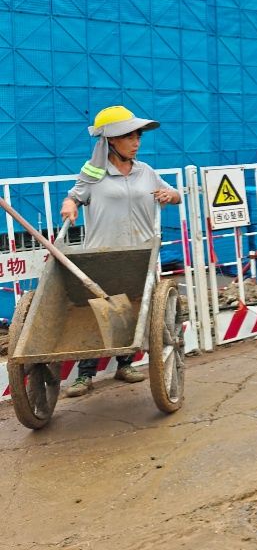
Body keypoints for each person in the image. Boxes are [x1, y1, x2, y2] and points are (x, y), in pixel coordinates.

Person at [60, 106, 182, 397]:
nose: (136, 142)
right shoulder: (93, 173)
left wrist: (170, 195)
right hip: (103, 255)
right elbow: (74, 196)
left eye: (138, 136)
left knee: (133, 308)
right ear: (111, 140)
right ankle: (85, 374)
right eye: (129, 136)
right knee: (100, 312)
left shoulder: (146, 171)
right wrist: (69, 205)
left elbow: (176, 195)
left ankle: (125, 364)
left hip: (140, 254)